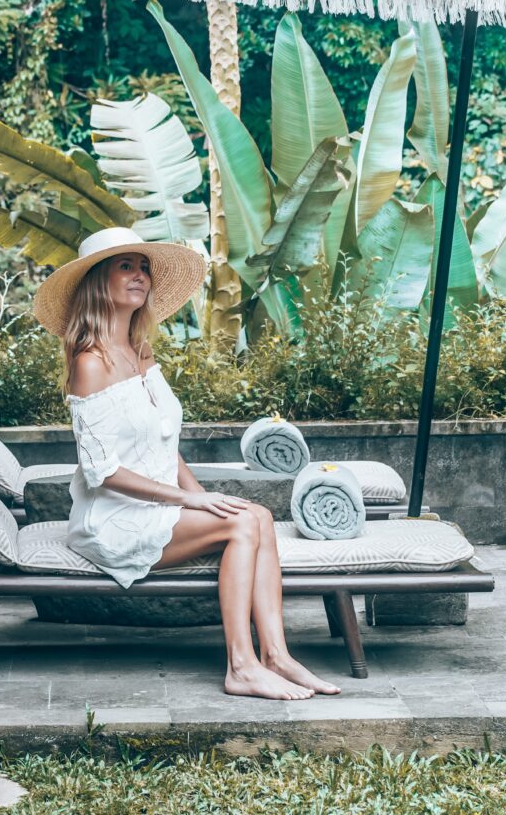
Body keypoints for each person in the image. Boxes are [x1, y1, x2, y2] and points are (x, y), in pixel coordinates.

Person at [33, 227, 340, 700]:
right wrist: (188, 500)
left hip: (160, 507)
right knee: (242, 525)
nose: (140, 276)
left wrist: (200, 497)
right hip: (114, 519)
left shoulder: (141, 353)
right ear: (98, 281)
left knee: (256, 516)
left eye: (144, 268)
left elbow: (163, 445)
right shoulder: (89, 363)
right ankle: (241, 665)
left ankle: (277, 655)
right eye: (126, 266)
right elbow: (104, 472)